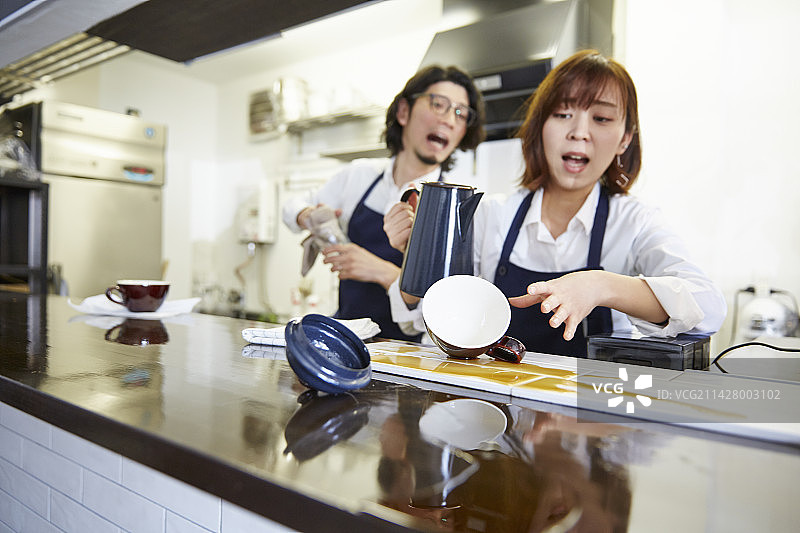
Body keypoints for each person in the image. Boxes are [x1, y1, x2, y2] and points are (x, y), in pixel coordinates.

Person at [384, 50, 726, 356]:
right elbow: (431, 319)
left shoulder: (634, 221)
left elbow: (708, 308)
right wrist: (415, 257)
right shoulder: (494, 216)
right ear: (540, 127)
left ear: (625, 139)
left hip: (590, 415)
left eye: (602, 118)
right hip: (497, 412)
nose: (579, 132)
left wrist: (602, 285)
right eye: (563, 114)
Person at [282, 65, 486, 342]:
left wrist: (383, 271)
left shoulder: (459, 206)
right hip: (345, 341)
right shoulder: (359, 177)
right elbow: (292, 205)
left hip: (413, 357)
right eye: (439, 104)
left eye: (461, 113)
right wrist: (309, 216)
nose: (450, 120)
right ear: (403, 112)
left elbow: (452, 312)